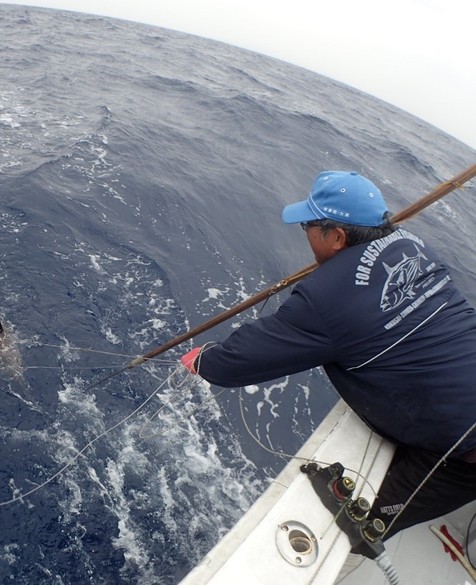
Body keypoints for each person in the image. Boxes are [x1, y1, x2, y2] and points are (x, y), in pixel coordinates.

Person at [181, 170, 476, 545]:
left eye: (308, 224)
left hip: (464, 456)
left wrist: (203, 358)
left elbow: (236, 362)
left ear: (337, 237)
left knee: (351, 532)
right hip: (457, 405)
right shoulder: (412, 243)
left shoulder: (325, 299)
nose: (303, 232)